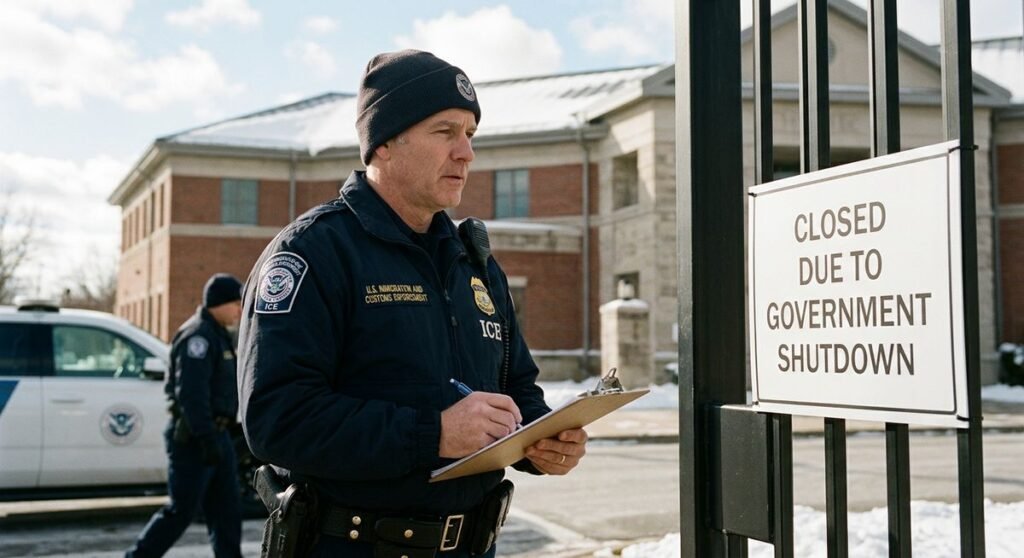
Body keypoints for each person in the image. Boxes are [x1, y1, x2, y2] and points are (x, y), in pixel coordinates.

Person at [238, 49, 588, 557]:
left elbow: (515, 387)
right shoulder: (314, 253)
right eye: (445, 132)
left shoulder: (475, 262)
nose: (466, 153)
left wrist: (542, 440)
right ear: (383, 144)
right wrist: (435, 433)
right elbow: (278, 419)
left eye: (470, 135)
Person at [127, 273, 244, 558]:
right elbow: (191, 395)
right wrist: (206, 439)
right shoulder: (199, 337)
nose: (241, 310)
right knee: (182, 511)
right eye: (236, 303)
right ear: (220, 303)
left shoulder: (217, 334)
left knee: (227, 511)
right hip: (194, 439)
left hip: (218, 436)